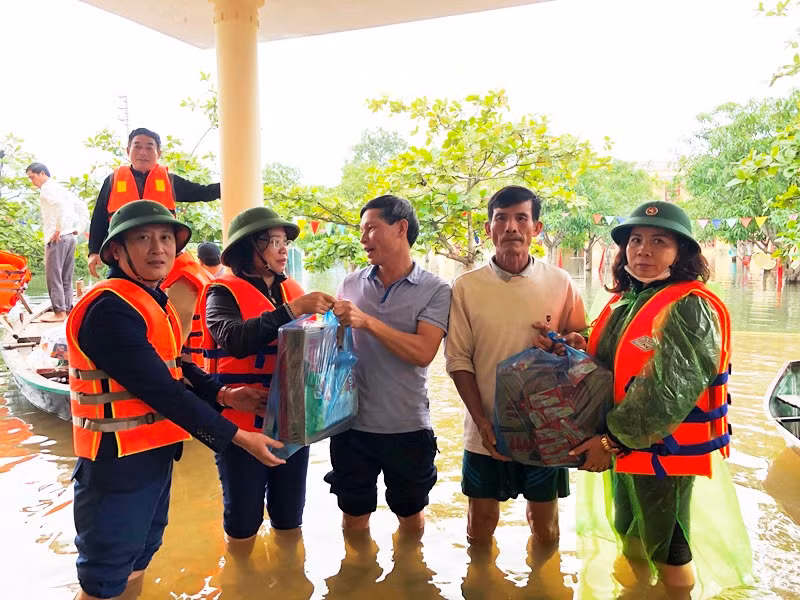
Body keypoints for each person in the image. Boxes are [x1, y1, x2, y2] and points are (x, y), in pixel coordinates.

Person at [67, 200, 286, 600]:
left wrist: (223, 393)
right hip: (114, 465)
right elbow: (164, 392)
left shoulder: (153, 301)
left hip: (152, 456)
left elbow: (178, 368)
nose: (159, 249)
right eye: (143, 238)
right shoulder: (108, 309)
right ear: (116, 250)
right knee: (104, 578)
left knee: (138, 561)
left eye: (166, 238)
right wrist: (238, 436)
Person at [563, 201, 750, 594]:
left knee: (669, 549)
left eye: (658, 241)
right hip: (625, 449)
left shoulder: (691, 307)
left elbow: (667, 394)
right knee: (629, 532)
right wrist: (580, 342)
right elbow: (620, 360)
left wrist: (609, 442)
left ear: (680, 252)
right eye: (635, 240)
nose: (643, 250)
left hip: (663, 453)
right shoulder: (628, 300)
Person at [444, 185, 587, 546]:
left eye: (521, 218)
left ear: (536, 228)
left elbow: (582, 344)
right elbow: (458, 360)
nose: (511, 227)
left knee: (546, 528)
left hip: (547, 427)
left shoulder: (561, 282)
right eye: (501, 219)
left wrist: (565, 346)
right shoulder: (466, 287)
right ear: (489, 229)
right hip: (485, 429)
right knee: (479, 528)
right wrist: (481, 421)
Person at [201, 206, 335, 547]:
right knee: (243, 520)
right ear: (249, 246)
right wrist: (292, 311)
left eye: (284, 241)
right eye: (273, 241)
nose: (283, 248)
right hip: (242, 425)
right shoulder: (221, 293)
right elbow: (233, 339)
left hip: (292, 422)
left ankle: (290, 578)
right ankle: (242, 579)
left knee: (290, 517)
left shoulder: (293, 289)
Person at [326, 194, 451, 534]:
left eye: (371, 229)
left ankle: (408, 577)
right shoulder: (351, 283)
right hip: (350, 426)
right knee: (353, 516)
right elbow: (334, 351)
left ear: (401, 228)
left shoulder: (436, 290)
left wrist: (366, 322)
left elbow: (424, 352)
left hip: (407, 426)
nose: (363, 239)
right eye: (362, 231)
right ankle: (357, 580)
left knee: (410, 517)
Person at [87, 127, 221, 278]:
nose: (143, 152)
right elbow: (99, 218)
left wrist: (227, 187)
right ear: (127, 150)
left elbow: (203, 192)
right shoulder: (113, 180)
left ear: (159, 153)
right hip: (124, 258)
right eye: (137, 146)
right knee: (117, 294)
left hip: (160, 256)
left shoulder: (169, 180)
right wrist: (93, 251)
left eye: (149, 147)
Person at [26, 162, 79, 322]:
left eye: (32, 177)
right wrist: (74, 227)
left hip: (58, 236)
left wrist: (58, 228)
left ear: (42, 173)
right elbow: (75, 206)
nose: (32, 181)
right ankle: (67, 309)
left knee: (53, 276)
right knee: (66, 277)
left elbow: (59, 206)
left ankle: (59, 312)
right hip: (69, 235)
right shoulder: (59, 188)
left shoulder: (47, 189)